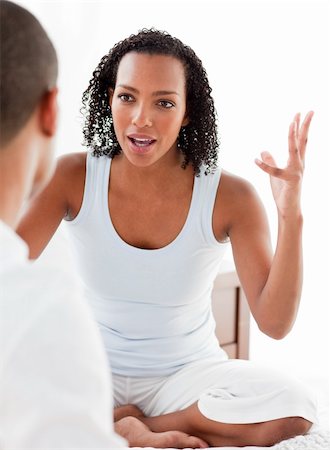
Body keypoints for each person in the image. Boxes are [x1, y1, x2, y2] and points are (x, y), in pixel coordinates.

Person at [17, 28, 318, 447]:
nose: (141, 117)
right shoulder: (73, 176)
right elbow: (9, 266)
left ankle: (134, 427)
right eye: (127, 97)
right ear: (109, 98)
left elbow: (275, 323)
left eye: (163, 102)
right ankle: (113, 417)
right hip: (90, 363)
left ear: (188, 111)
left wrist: (290, 214)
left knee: (294, 406)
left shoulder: (230, 196)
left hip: (186, 376)